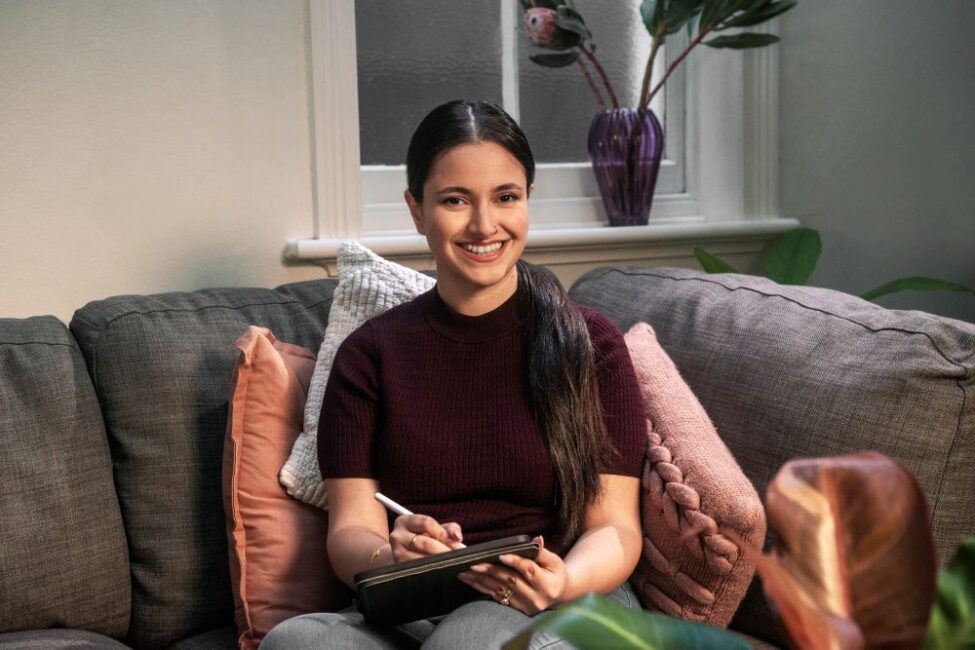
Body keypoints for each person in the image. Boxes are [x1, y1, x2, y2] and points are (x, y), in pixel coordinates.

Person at [260, 100, 647, 649]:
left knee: (472, 634)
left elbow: (615, 529)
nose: (484, 225)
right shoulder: (368, 355)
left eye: (506, 198)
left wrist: (564, 579)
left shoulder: (590, 344)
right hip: (420, 603)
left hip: (567, 600)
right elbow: (350, 532)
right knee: (297, 642)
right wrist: (392, 555)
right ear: (417, 211)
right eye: (455, 200)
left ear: (527, 201)